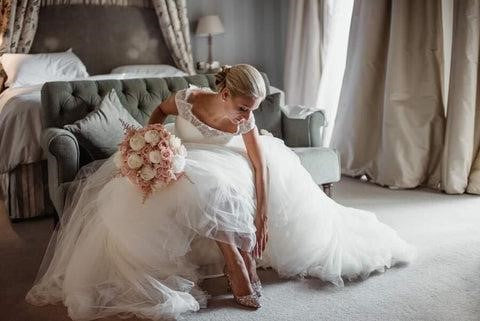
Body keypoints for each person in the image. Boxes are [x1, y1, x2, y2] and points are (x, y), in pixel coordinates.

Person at [26, 64, 415, 320]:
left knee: (214, 186)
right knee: (153, 191)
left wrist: (262, 214)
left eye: (254, 110)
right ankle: (235, 262)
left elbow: (259, 166)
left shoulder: (246, 124)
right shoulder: (187, 100)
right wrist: (153, 136)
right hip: (187, 156)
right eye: (244, 108)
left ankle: (238, 261)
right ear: (224, 94)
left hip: (231, 164)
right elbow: (159, 113)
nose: (249, 117)